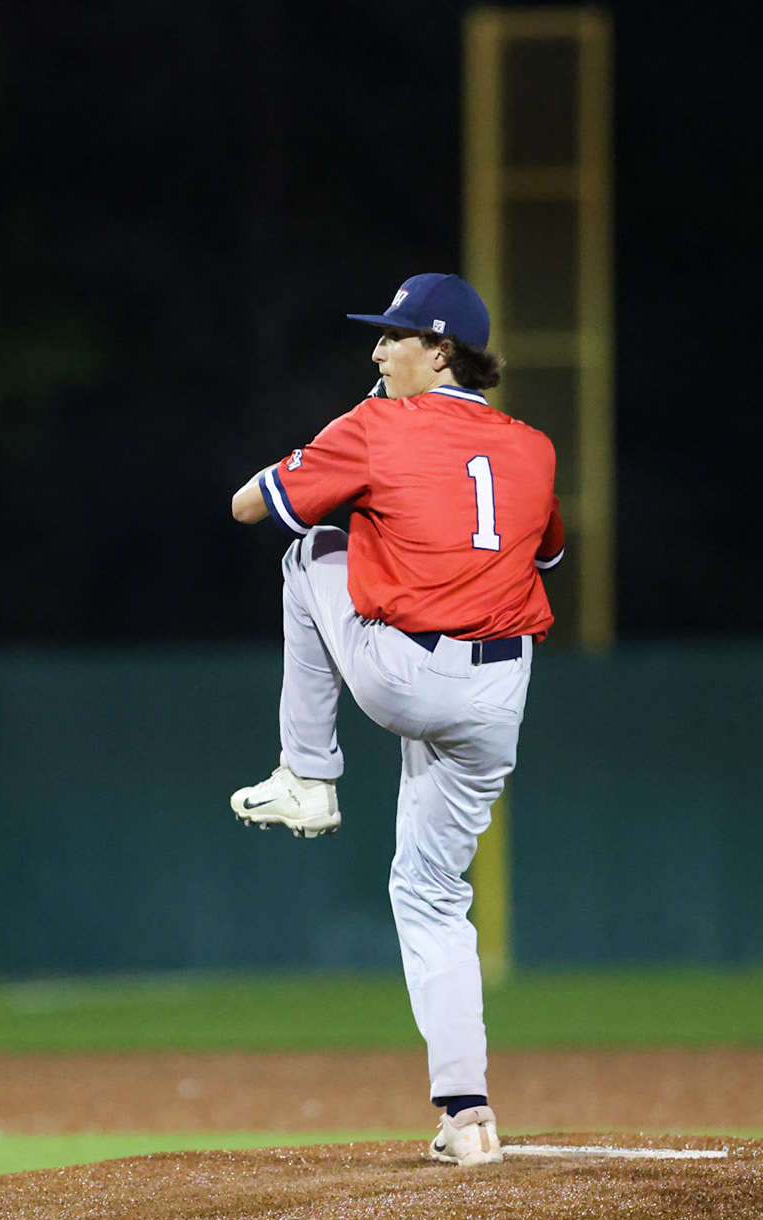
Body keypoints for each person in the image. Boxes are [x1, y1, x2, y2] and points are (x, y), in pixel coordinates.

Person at [227, 272, 564, 1167]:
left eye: (394, 336)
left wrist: (350, 446)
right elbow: (548, 547)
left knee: (309, 552)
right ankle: (468, 1115)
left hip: (409, 674)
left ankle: (309, 773)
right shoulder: (532, 445)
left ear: (441, 348)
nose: (377, 351)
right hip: (501, 694)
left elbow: (251, 505)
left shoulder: (376, 423)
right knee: (430, 895)